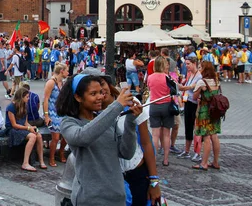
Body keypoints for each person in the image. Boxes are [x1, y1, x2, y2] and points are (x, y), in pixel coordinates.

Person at [57, 72, 140, 206]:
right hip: (90, 200)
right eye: (93, 94)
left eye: (101, 92)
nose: (100, 97)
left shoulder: (106, 119)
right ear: (78, 97)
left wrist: (130, 121)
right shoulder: (69, 123)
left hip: (117, 197)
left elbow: (127, 153)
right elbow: (83, 137)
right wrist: (116, 106)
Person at [99, 74, 161, 206]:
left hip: (137, 174)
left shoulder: (132, 103)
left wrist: (154, 181)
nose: (100, 91)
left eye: (102, 84)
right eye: (94, 89)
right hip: (110, 178)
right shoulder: (92, 113)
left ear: (109, 85)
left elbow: (146, 142)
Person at [4, 87, 46, 172]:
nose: (28, 98)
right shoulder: (11, 107)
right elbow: (14, 125)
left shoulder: (25, 106)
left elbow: (25, 122)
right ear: (21, 97)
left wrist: (31, 127)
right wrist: (28, 128)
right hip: (12, 130)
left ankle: (41, 161)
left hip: (22, 128)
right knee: (32, 137)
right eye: (27, 97)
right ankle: (25, 163)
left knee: (39, 135)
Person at [192, 62, 222, 171]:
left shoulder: (202, 82)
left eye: (200, 67)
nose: (199, 69)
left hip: (205, 111)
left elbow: (194, 97)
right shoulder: (216, 80)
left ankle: (204, 163)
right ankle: (215, 161)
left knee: (206, 137)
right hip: (215, 111)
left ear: (204, 69)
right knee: (214, 135)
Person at [146, 56, 175, 167]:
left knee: (155, 135)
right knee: (166, 134)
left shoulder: (150, 77)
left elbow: (149, 89)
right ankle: (166, 159)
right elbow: (172, 91)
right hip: (166, 105)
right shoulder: (167, 77)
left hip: (154, 105)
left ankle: (153, 158)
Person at [177, 56, 203, 162]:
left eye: (188, 64)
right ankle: (187, 150)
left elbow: (194, 87)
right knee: (188, 127)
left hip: (194, 104)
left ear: (194, 63)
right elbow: (188, 85)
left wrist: (184, 87)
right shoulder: (189, 74)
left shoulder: (199, 76)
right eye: (186, 64)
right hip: (187, 102)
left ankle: (197, 152)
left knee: (196, 129)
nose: (186, 66)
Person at [42, 63, 68, 166]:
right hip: (52, 112)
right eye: (66, 70)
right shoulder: (51, 82)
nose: (68, 73)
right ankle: (52, 157)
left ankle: (61, 151)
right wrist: (47, 115)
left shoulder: (63, 82)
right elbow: (46, 99)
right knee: (56, 137)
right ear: (61, 71)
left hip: (61, 111)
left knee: (66, 134)